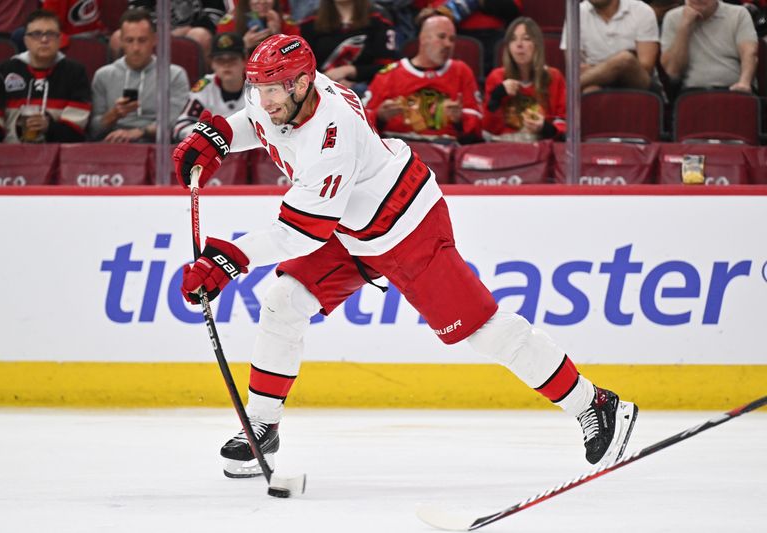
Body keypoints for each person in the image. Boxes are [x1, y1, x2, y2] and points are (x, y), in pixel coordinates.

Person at [172, 33, 639, 479]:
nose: (264, 99)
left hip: (404, 223)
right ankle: (262, 426)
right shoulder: (277, 93)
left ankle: (592, 403)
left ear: (301, 84)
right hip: (348, 224)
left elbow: (300, 233)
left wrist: (225, 261)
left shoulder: (332, 138)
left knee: (484, 332)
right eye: (259, 88)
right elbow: (255, 122)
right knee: (283, 301)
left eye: (274, 89)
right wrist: (217, 139)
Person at [0, 8, 91, 144]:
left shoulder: (75, 73)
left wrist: (49, 127)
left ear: (59, 40)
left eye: (51, 34)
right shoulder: (6, 70)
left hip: (59, 154)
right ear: (26, 41)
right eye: (36, 34)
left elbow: (77, 129)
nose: (44, 39)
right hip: (9, 152)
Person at [363, 15, 482, 144]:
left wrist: (460, 120)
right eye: (441, 37)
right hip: (400, 148)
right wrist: (380, 117)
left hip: (445, 149)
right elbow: (362, 124)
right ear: (423, 38)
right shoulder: (390, 74)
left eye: (452, 39)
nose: (448, 44)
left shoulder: (461, 71)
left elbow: (479, 125)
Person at [90, 8, 189, 143]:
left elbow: (174, 123)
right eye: (129, 40)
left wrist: (139, 132)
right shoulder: (103, 76)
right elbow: (93, 130)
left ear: (154, 40)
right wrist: (113, 115)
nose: (136, 48)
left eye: (142, 40)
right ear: (121, 41)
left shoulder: (174, 75)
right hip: (114, 143)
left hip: (158, 145)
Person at [483, 16, 566, 142]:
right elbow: (488, 129)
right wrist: (496, 96)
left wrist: (544, 128)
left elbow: (564, 124)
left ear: (537, 45)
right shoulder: (497, 77)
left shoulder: (554, 77)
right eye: (513, 39)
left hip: (541, 146)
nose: (519, 45)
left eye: (526, 39)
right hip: (505, 146)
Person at [561, 0, 660, 93]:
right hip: (595, 81)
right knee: (590, 91)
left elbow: (646, 67)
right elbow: (574, 67)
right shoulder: (577, 13)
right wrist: (608, 69)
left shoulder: (642, 11)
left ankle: (566, 89)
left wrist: (607, 68)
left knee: (625, 59)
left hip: (639, 82)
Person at [300, 0, 399, 93]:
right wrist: (326, 80)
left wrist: (350, 71)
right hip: (322, 87)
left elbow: (389, 66)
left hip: (367, 87)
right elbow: (304, 68)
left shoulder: (378, 18)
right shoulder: (310, 21)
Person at [660, 0, 759, 93]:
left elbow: (749, 53)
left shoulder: (738, 14)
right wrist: (684, 26)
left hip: (734, 89)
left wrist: (744, 82)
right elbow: (672, 71)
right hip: (692, 93)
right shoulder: (672, 17)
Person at [173, 32, 247, 141]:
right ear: (212, 63)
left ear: (244, 60)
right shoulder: (205, 87)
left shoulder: (258, 87)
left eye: (232, 59)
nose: (226, 65)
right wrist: (212, 134)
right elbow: (181, 127)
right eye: (220, 60)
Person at [110, 0, 230, 59]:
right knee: (117, 38)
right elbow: (136, 14)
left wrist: (187, 29)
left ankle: (201, 88)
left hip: (190, 31)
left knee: (200, 36)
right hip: (151, 31)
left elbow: (215, 15)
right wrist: (157, 32)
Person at [216, 0, 300, 54]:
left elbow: (297, 55)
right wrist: (242, 46)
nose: (262, 1)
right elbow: (223, 61)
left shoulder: (286, 22)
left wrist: (278, 35)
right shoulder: (228, 23)